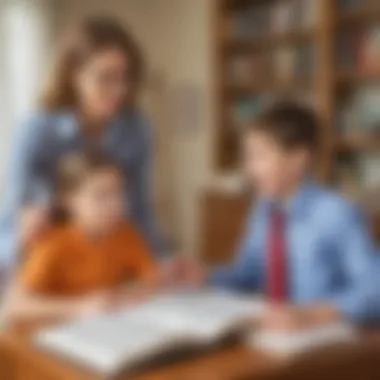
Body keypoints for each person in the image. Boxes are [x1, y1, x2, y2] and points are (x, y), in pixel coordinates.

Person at [190, 101, 380, 329]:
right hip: (273, 331)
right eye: (248, 158)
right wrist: (204, 275)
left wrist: (312, 314)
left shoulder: (335, 212)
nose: (249, 169)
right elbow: (247, 273)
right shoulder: (263, 209)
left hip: (322, 340)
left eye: (259, 157)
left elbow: (374, 290)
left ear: (297, 159)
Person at [0, 16, 163, 278]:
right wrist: (25, 238)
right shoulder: (35, 131)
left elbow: (140, 211)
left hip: (108, 262)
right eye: (106, 78)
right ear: (73, 74)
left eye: (125, 77)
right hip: (48, 261)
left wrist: (158, 264)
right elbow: (12, 225)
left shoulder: (136, 127)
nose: (119, 89)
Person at [4, 150, 159, 322]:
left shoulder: (125, 233)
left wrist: (120, 296)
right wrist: (79, 306)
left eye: (118, 192)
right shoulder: (52, 244)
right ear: (69, 199)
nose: (115, 204)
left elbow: (149, 280)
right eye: (101, 195)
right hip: (56, 334)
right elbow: (15, 306)